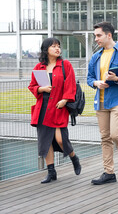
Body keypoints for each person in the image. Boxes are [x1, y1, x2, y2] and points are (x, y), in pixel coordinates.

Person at [87, 22, 118, 185]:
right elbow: (89, 78)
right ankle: (109, 173)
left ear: (109, 35)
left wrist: (116, 79)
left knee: (116, 134)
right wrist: (96, 83)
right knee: (105, 138)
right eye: (95, 36)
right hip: (100, 101)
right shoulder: (96, 56)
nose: (96, 39)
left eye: (98, 35)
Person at [28, 37, 82, 184]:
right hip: (43, 108)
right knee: (45, 142)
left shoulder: (65, 65)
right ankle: (51, 172)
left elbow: (70, 84)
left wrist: (65, 100)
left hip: (59, 106)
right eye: (53, 46)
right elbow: (32, 86)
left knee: (60, 139)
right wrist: (41, 88)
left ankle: (73, 157)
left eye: (59, 46)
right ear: (46, 50)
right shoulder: (39, 67)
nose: (57, 48)